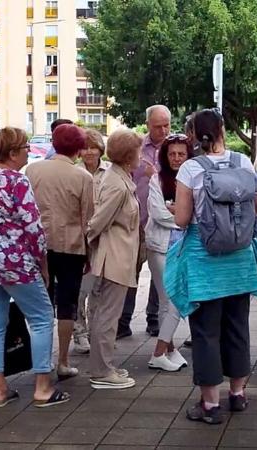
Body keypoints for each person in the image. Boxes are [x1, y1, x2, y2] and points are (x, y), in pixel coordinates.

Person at [168, 108, 257, 424]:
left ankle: (210, 404)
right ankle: (237, 394)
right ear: (222, 130)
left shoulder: (190, 169)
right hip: (240, 260)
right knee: (237, 326)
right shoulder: (244, 163)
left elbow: (182, 220)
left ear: (194, 134)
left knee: (206, 332)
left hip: (203, 260)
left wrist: (172, 210)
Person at [0, 126, 71, 409]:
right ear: (13, 153)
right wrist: (42, 262)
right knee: (40, 317)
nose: (29, 150)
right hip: (17, 262)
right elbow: (33, 227)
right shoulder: (17, 181)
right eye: (25, 147)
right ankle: (42, 387)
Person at [26, 124, 94, 379]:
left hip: (38, 245)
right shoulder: (83, 177)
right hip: (72, 246)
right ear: (78, 148)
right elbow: (88, 217)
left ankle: (40, 359)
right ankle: (63, 360)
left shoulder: (32, 170)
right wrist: (89, 252)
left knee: (39, 303)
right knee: (67, 304)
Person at [87, 129, 144, 390]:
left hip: (117, 257)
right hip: (114, 258)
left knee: (105, 314)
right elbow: (97, 222)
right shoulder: (117, 183)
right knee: (106, 316)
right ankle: (102, 371)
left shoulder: (118, 178)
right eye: (138, 151)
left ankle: (105, 366)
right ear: (129, 155)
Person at [118, 104, 170, 339]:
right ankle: (123, 321)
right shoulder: (136, 147)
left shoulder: (175, 148)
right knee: (131, 272)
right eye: (158, 126)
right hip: (137, 222)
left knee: (160, 274)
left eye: (166, 125)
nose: (163, 130)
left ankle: (154, 319)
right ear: (148, 124)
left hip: (162, 224)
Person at [146, 133, 193, 371]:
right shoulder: (157, 178)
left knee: (173, 300)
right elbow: (158, 213)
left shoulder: (194, 176)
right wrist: (183, 217)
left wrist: (176, 210)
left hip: (185, 247)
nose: (176, 158)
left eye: (181, 154)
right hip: (160, 247)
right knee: (170, 301)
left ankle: (170, 349)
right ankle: (158, 353)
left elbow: (198, 211)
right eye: (172, 154)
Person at [74, 128, 111, 355]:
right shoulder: (75, 172)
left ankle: (97, 331)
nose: (89, 152)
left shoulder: (109, 172)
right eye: (85, 147)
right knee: (80, 290)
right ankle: (79, 332)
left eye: (93, 147)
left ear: (100, 149)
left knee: (100, 287)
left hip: (103, 236)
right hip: (80, 236)